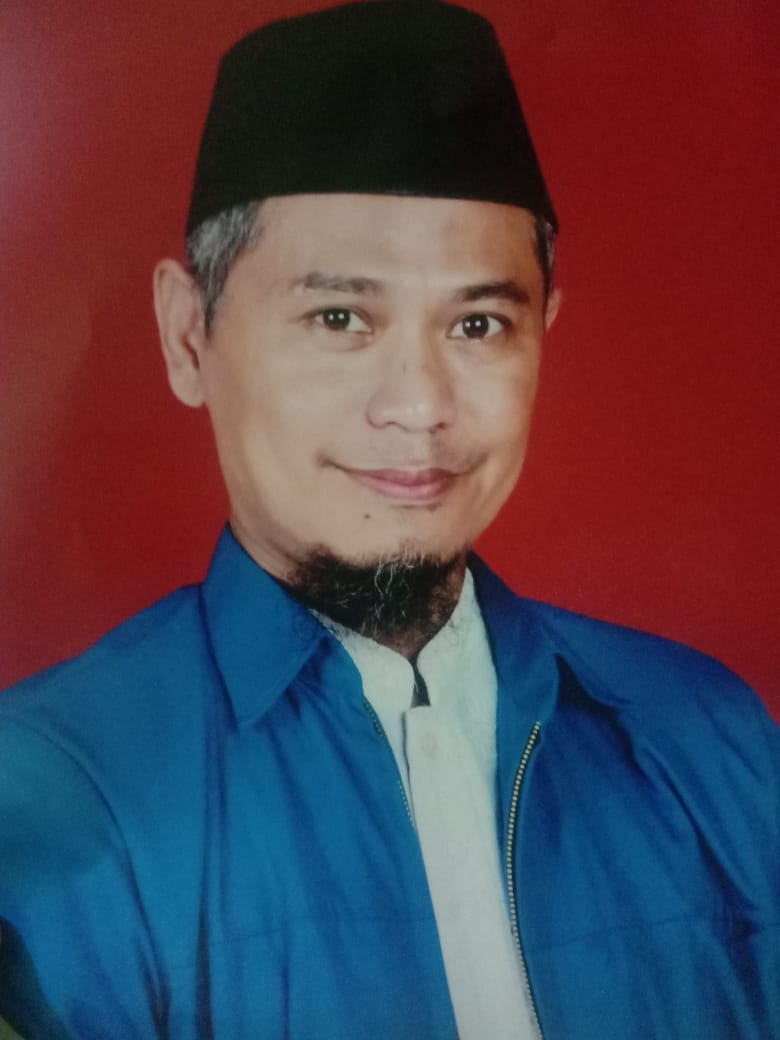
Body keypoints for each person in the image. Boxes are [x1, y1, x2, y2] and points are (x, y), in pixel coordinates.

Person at [0, 2, 777, 1038]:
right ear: (189, 336)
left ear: (545, 334)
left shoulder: (709, 738)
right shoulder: (48, 794)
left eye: (478, 323)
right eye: (339, 318)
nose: (418, 405)